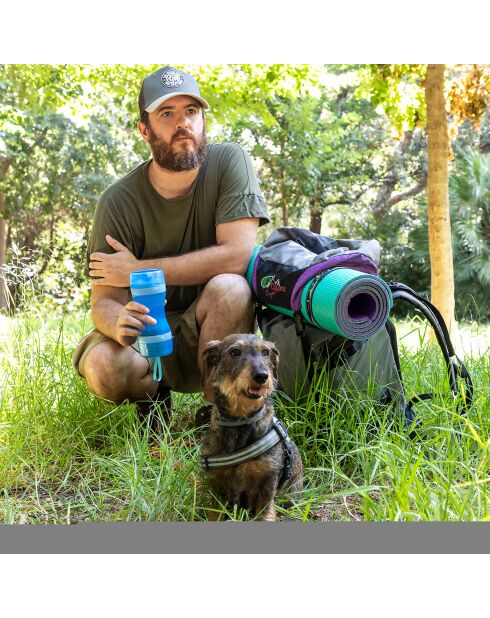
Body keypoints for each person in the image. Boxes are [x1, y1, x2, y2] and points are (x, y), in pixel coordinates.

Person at [72, 66, 269, 424]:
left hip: (208, 327)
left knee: (232, 288)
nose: (184, 123)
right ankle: (153, 398)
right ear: (144, 129)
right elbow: (103, 300)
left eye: (191, 111)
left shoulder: (229, 162)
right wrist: (119, 321)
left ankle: (218, 413)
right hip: (146, 336)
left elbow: (238, 255)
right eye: (167, 114)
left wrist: (138, 269)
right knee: (103, 367)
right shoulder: (118, 201)